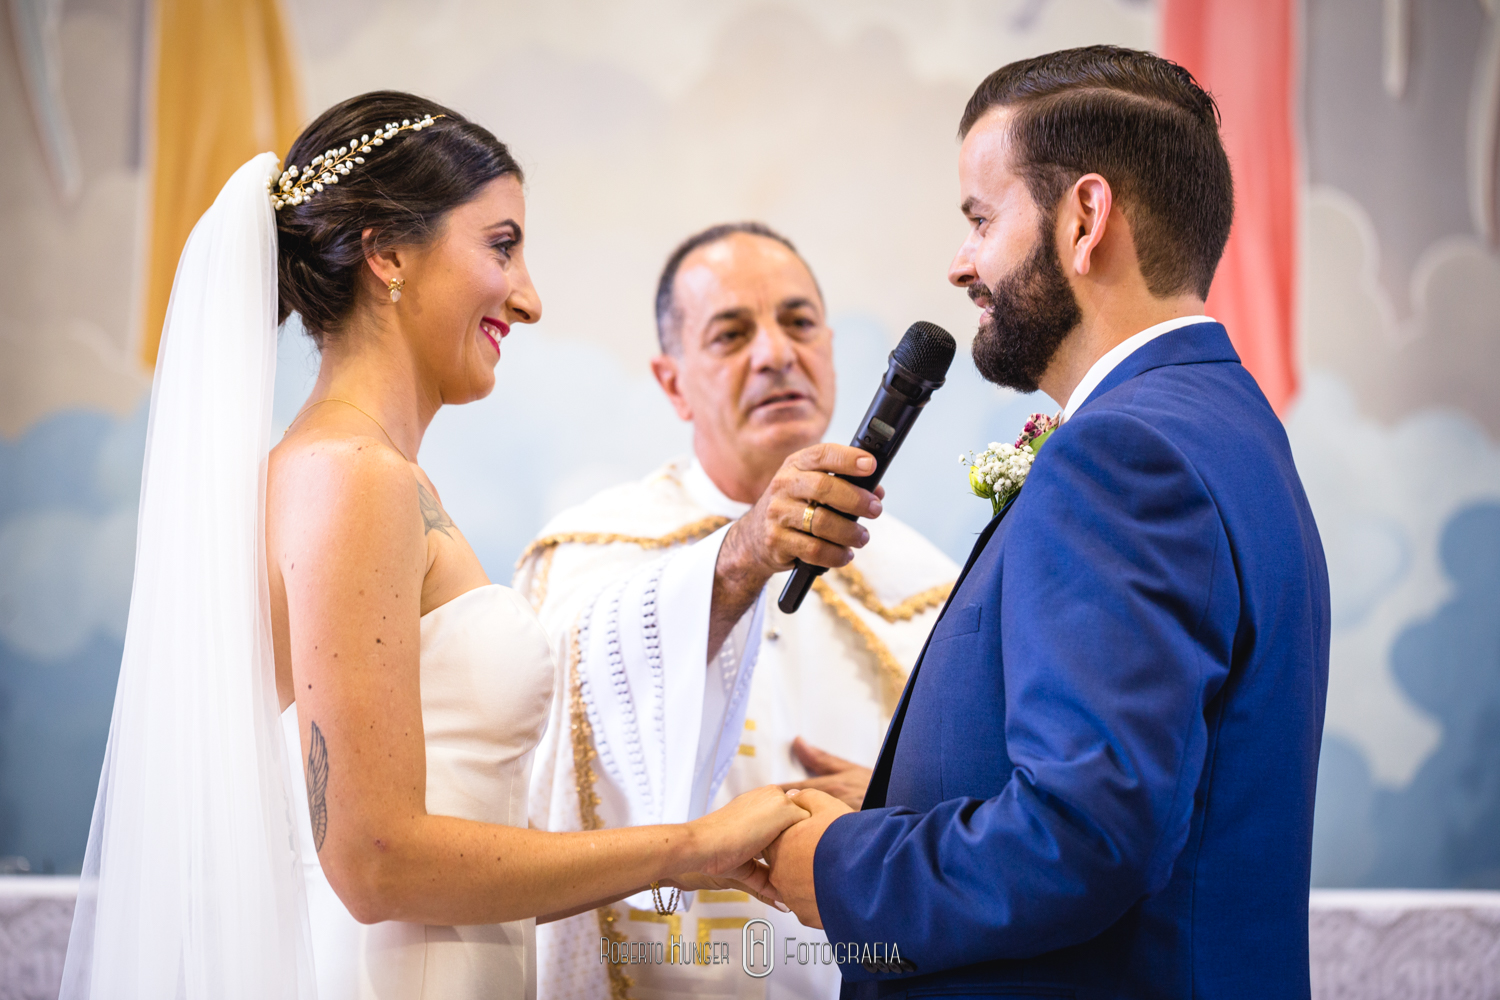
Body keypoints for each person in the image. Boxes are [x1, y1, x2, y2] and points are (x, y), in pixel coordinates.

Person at [60, 91, 809, 1000]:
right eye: (501, 246)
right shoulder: (352, 477)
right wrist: (692, 846)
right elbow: (377, 863)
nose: (528, 298)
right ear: (387, 254)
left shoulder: (361, 474)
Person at [763, 46, 1331, 998]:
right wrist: (904, 804)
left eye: (981, 219)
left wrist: (836, 868)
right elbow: (1155, 785)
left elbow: (1088, 837)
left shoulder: (1123, 457)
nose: (961, 264)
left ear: (1084, 218)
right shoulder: (1232, 424)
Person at [519, 223, 957, 1000]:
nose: (775, 354)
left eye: (798, 323)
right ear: (672, 381)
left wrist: (905, 798)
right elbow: (556, 729)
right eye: (731, 333)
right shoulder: (590, 553)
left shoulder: (927, 579)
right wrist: (742, 556)